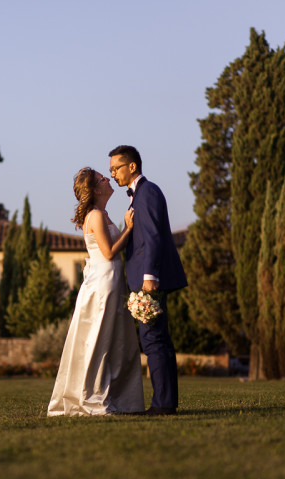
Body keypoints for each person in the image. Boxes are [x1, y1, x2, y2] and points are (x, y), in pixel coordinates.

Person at [47, 167, 145, 417]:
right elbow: (109, 252)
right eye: (102, 178)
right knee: (100, 340)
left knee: (113, 341)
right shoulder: (96, 216)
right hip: (104, 284)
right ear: (96, 189)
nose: (107, 178)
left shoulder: (102, 213)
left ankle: (115, 396)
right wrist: (128, 228)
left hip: (110, 280)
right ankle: (92, 398)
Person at [109, 145, 187, 416]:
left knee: (153, 340)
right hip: (145, 280)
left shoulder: (148, 192)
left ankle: (163, 405)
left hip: (149, 281)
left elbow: (153, 237)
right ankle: (166, 402)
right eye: (110, 170)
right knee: (157, 340)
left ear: (132, 166)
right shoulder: (137, 196)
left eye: (116, 168)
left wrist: (149, 277)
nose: (113, 174)